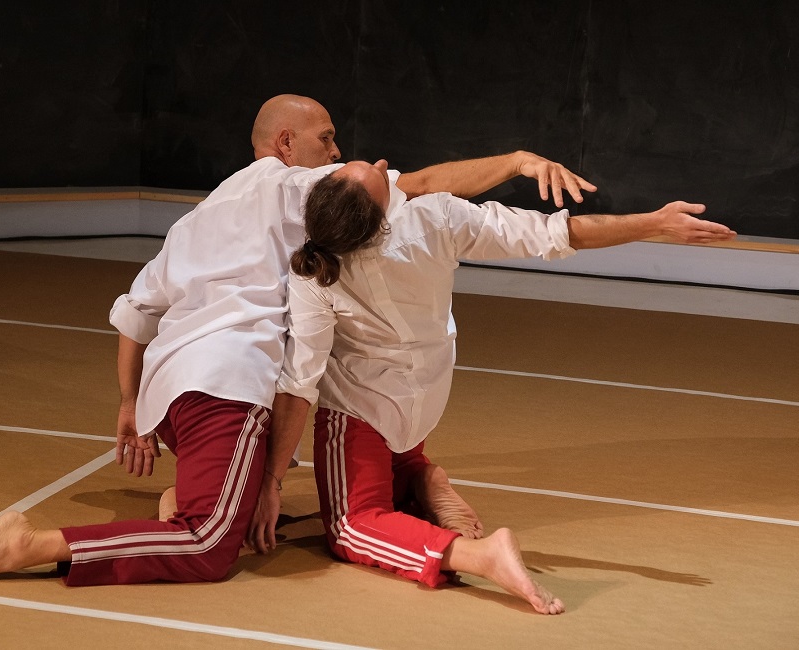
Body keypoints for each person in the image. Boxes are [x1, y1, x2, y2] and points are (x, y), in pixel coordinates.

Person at [0, 95, 594, 585]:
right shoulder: (297, 186)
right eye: (328, 141)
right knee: (212, 543)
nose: (337, 155)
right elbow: (416, 185)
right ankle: (32, 544)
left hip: (170, 398)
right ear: (285, 143)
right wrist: (514, 159)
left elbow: (134, 316)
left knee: (235, 504)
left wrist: (130, 407)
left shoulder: (202, 213)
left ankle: (392, 475)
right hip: (227, 378)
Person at [253, 159, 736, 614]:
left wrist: (272, 482)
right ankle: (420, 474)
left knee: (350, 528)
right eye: (378, 173)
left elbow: (301, 383)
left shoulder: (314, 272)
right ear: (382, 216)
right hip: (424, 404)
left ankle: (479, 555)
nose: (384, 166)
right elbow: (559, 233)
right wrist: (654, 223)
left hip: (365, 412)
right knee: (393, 467)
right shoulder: (437, 220)